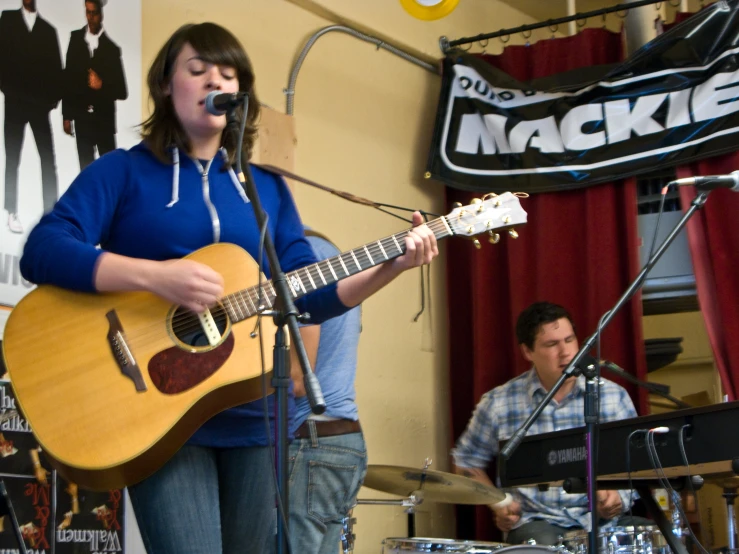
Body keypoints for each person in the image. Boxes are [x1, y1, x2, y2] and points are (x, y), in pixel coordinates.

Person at [18, 22, 438, 554]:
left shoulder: (265, 189)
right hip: (163, 420)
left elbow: (305, 297)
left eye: (227, 73)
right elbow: (44, 250)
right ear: (167, 86)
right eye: (197, 70)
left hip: (256, 421)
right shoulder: (123, 172)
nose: (214, 80)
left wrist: (392, 266)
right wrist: (155, 276)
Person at [452, 301, 641, 545]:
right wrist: (500, 504)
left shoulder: (612, 396)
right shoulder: (498, 402)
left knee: (656, 537)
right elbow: (465, 461)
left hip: (602, 521)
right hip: (537, 523)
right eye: (552, 344)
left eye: (570, 340)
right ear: (527, 352)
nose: (565, 352)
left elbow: (639, 462)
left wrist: (619, 498)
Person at [288, 228, 366, 554]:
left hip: (313, 441)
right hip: (343, 439)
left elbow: (296, 380)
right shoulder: (331, 255)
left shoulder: (302, 260)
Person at [0, 0, 63, 234]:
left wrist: (50, 102)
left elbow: (57, 70)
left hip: (39, 106)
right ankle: (10, 210)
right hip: (15, 104)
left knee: (48, 159)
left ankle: (52, 213)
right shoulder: (7, 20)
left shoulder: (48, 30)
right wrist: (8, 89)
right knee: (12, 158)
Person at [62, 0, 128, 170]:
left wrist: (102, 85)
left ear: (101, 14)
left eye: (94, 13)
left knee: (110, 171)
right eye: (88, 12)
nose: (91, 17)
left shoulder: (112, 49)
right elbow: (68, 79)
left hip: (104, 122)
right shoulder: (75, 39)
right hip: (82, 120)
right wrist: (67, 116)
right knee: (85, 172)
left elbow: (122, 91)